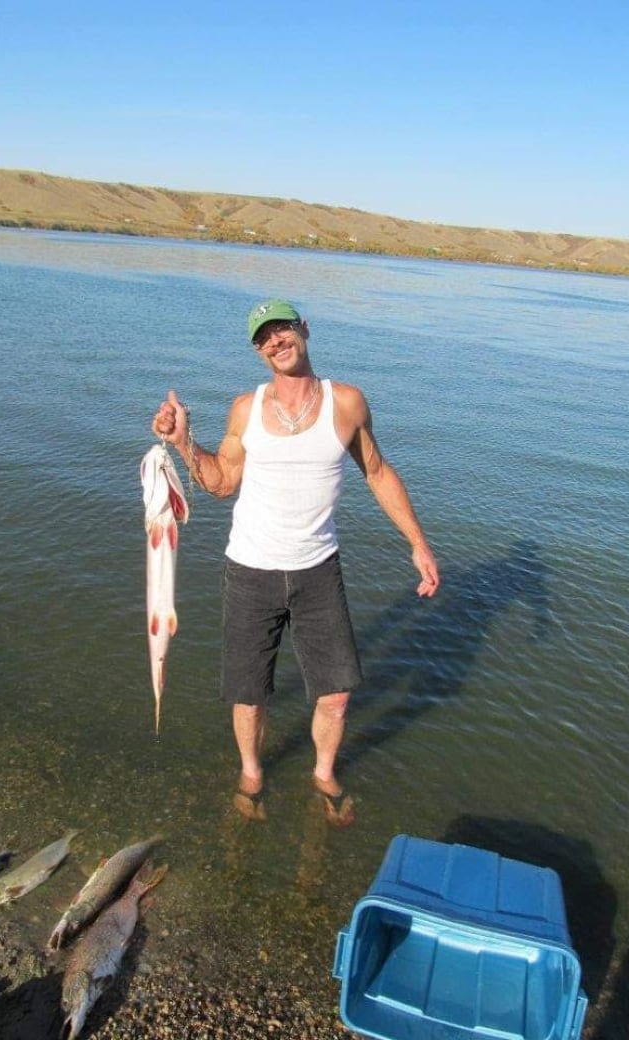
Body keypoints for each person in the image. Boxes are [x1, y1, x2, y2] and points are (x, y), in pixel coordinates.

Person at [151, 299, 439, 826]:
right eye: (265, 336)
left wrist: (417, 542)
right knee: (250, 692)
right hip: (250, 569)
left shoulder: (347, 402)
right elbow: (220, 484)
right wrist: (183, 442)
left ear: (304, 330)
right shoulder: (246, 408)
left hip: (317, 570)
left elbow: (376, 472)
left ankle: (324, 775)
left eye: (283, 328)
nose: (276, 340)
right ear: (258, 350)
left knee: (335, 697)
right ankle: (252, 774)